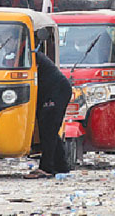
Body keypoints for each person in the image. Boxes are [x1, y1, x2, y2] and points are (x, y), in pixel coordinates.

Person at [25, 50, 72, 179]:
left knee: (48, 129)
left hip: (56, 91)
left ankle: (46, 168)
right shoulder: (18, 55)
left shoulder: (30, 55)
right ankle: (62, 166)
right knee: (49, 129)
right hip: (50, 92)